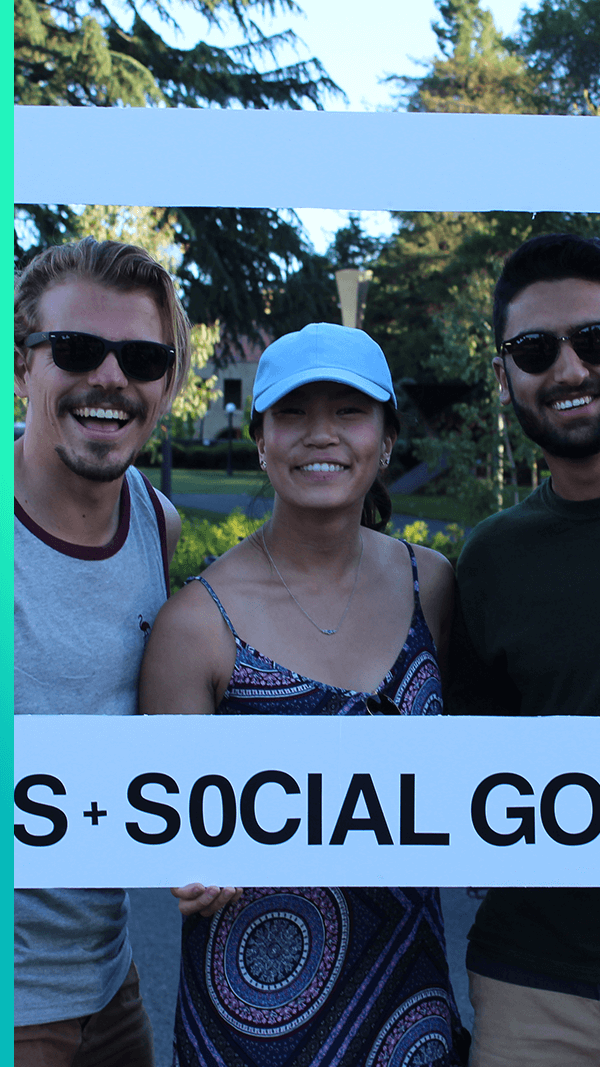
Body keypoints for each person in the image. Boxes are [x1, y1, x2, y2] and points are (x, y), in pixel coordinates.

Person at [140, 321, 470, 1067]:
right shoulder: (196, 624)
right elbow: (168, 823)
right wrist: (184, 865)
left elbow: (460, 775)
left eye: (349, 411)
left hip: (410, 1015)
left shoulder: (435, 584)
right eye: (292, 413)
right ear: (261, 439)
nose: (321, 434)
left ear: (386, 440)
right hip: (254, 1028)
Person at [14, 236, 216, 1067]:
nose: (110, 377)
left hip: (109, 983)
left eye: (140, 356)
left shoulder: (156, 524)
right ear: (23, 366)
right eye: (76, 349)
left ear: (167, 384)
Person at [448, 233, 600, 1066]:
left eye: (594, 339)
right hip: (535, 991)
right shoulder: (491, 557)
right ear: (506, 376)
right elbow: (474, 769)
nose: (570, 369)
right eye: (537, 350)